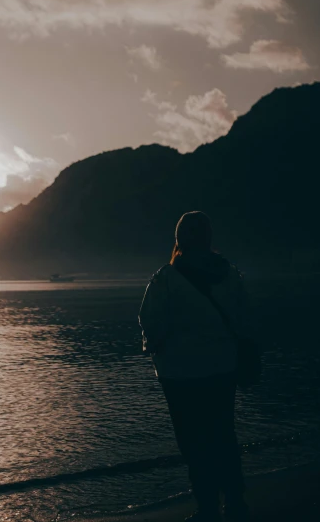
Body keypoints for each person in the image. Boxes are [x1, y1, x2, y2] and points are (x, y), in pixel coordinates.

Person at [139, 211, 254, 522]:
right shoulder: (229, 275)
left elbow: (150, 323)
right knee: (223, 434)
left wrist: (157, 350)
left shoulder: (167, 278)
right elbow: (245, 319)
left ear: (179, 240)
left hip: (180, 374)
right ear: (208, 239)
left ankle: (207, 508)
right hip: (222, 369)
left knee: (193, 441)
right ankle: (235, 501)